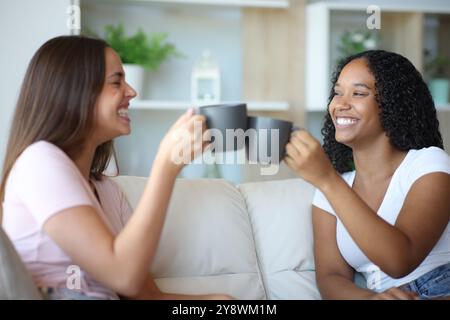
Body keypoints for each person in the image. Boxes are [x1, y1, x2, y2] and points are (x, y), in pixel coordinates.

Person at [0, 36, 231, 300]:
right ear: (75, 91)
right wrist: (166, 165)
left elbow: (146, 295)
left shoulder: (108, 192)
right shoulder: (38, 162)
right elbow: (124, 276)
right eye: (116, 81)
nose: (131, 91)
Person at [285, 50, 450, 300]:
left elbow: (400, 260)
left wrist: (327, 179)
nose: (340, 104)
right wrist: (369, 299)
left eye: (359, 93)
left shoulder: (429, 164)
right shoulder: (331, 188)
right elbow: (331, 277)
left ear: (393, 105)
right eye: (338, 92)